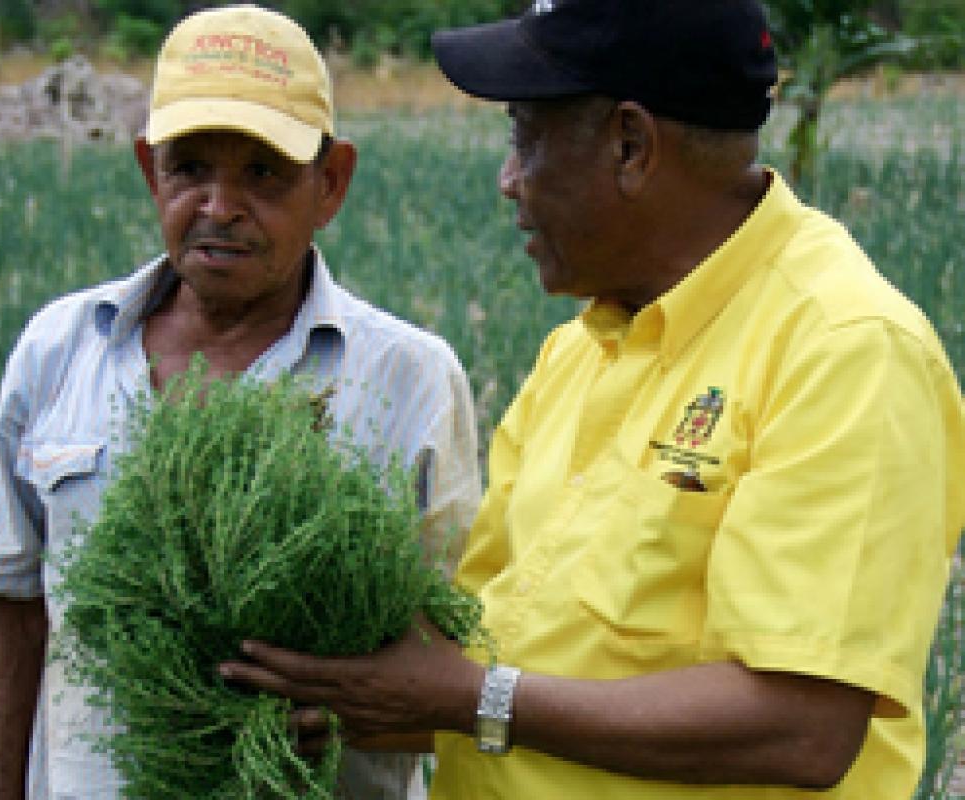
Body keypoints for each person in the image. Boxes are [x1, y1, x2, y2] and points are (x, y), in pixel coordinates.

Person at [218, 1, 965, 798]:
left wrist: (471, 701)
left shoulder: (844, 350)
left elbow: (801, 724)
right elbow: (481, 647)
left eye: (525, 137)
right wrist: (325, 694)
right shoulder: (579, 351)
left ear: (631, 146)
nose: (507, 181)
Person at [0, 5, 481, 798]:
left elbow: (459, 667)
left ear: (331, 183)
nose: (220, 206)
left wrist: (342, 710)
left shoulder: (409, 377)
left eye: (263, 173)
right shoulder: (59, 348)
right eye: (190, 168)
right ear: (147, 171)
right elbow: (9, 614)